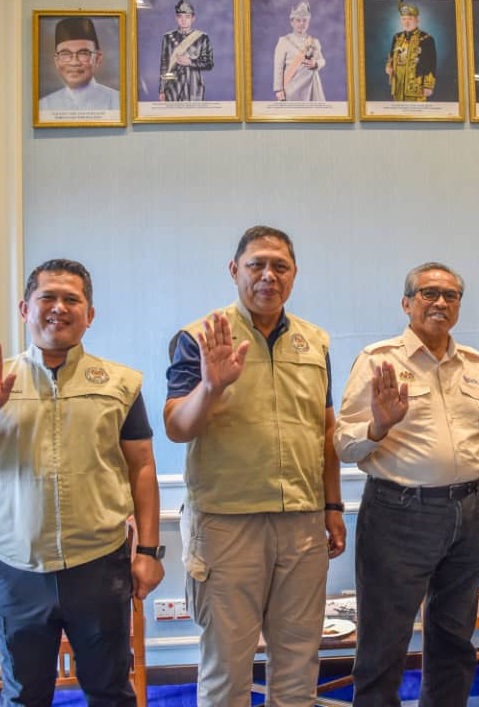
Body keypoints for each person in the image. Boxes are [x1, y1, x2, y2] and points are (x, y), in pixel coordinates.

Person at [0, 259, 164, 707]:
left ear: (90, 314)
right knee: (25, 696)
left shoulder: (120, 384)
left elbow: (142, 467)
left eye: (72, 299)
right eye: (48, 297)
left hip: (98, 566)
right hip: (15, 571)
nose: (59, 307)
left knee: (110, 691)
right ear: (25, 309)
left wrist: (147, 552)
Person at [163, 226, 346, 707]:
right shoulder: (199, 338)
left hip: (302, 523)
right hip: (227, 525)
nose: (268, 276)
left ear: (294, 274)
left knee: (299, 665)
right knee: (227, 670)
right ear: (234, 271)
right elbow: (177, 427)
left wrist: (332, 506)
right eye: (256, 265)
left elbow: (325, 429)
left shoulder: (315, 342)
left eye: (279, 266)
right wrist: (211, 387)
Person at [334, 262, 479, 707]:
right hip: (399, 514)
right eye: (429, 293)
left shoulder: (476, 365)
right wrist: (378, 425)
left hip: (469, 512)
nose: (440, 302)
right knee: (383, 642)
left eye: (451, 295)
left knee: (455, 641)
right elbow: (342, 445)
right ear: (406, 303)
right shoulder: (378, 361)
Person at [40, 17, 120, 111]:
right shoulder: (44, 105)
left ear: (98, 59)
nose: (74, 62)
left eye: (83, 53)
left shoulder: (118, 102)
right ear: (56, 61)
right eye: (65, 54)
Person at [159, 0, 213, 102]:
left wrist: (190, 62)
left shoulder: (202, 37)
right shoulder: (167, 37)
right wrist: (162, 89)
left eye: (187, 17)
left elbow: (209, 63)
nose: (183, 20)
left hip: (194, 86)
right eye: (180, 16)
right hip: (172, 87)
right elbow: (164, 66)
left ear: (193, 18)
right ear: (176, 18)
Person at [273, 1, 326, 102]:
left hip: (312, 87)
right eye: (298, 20)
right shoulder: (284, 41)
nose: (302, 23)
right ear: (292, 22)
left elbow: (322, 60)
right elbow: (278, 67)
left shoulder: (314, 41)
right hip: (291, 88)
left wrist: (316, 63)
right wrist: (278, 89)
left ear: (308, 23)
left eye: (304, 20)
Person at [386, 0, 437, 102]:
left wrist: (428, 86)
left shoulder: (426, 39)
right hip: (398, 85)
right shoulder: (397, 37)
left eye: (410, 19)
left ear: (417, 20)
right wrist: (389, 66)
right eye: (404, 19)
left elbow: (431, 63)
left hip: (416, 85)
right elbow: (391, 56)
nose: (407, 22)